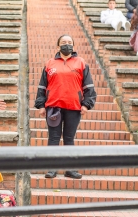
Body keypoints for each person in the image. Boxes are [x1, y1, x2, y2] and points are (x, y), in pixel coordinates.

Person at [34, 35, 97, 179]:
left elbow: (89, 86)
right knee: (53, 138)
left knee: (69, 138)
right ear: (58, 46)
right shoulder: (50, 63)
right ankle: (51, 169)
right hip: (53, 107)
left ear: (73, 46)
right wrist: (41, 105)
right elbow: (42, 86)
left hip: (73, 107)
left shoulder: (81, 63)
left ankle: (70, 169)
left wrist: (86, 104)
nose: (66, 45)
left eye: (69, 42)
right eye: (63, 43)